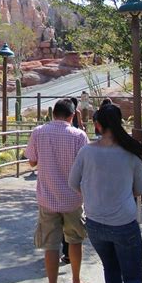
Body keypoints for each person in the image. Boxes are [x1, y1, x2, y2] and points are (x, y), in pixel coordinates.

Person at [69, 103, 142, 283]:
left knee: (111, 269)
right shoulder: (131, 154)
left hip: (95, 222)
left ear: (98, 125)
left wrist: (91, 192)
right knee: (133, 276)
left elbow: (73, 182)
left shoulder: (86, 152)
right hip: (124, 223)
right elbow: (141, 189)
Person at [25, 98, 91, 283]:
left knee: (51, 246)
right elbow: (86, 167)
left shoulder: (39, 132)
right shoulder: (79, 136)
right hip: (73, 198)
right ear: (72, 115)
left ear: (53, 113)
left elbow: (32, 161)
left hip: (47, 198)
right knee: (75, 240)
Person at [61, 97, 85, 263]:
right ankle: (70, 256)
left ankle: (62, 252)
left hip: (51, 194)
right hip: (73, 193)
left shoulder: (43, 130)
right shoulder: (77, 117)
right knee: (73, 230)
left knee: (57, 227)